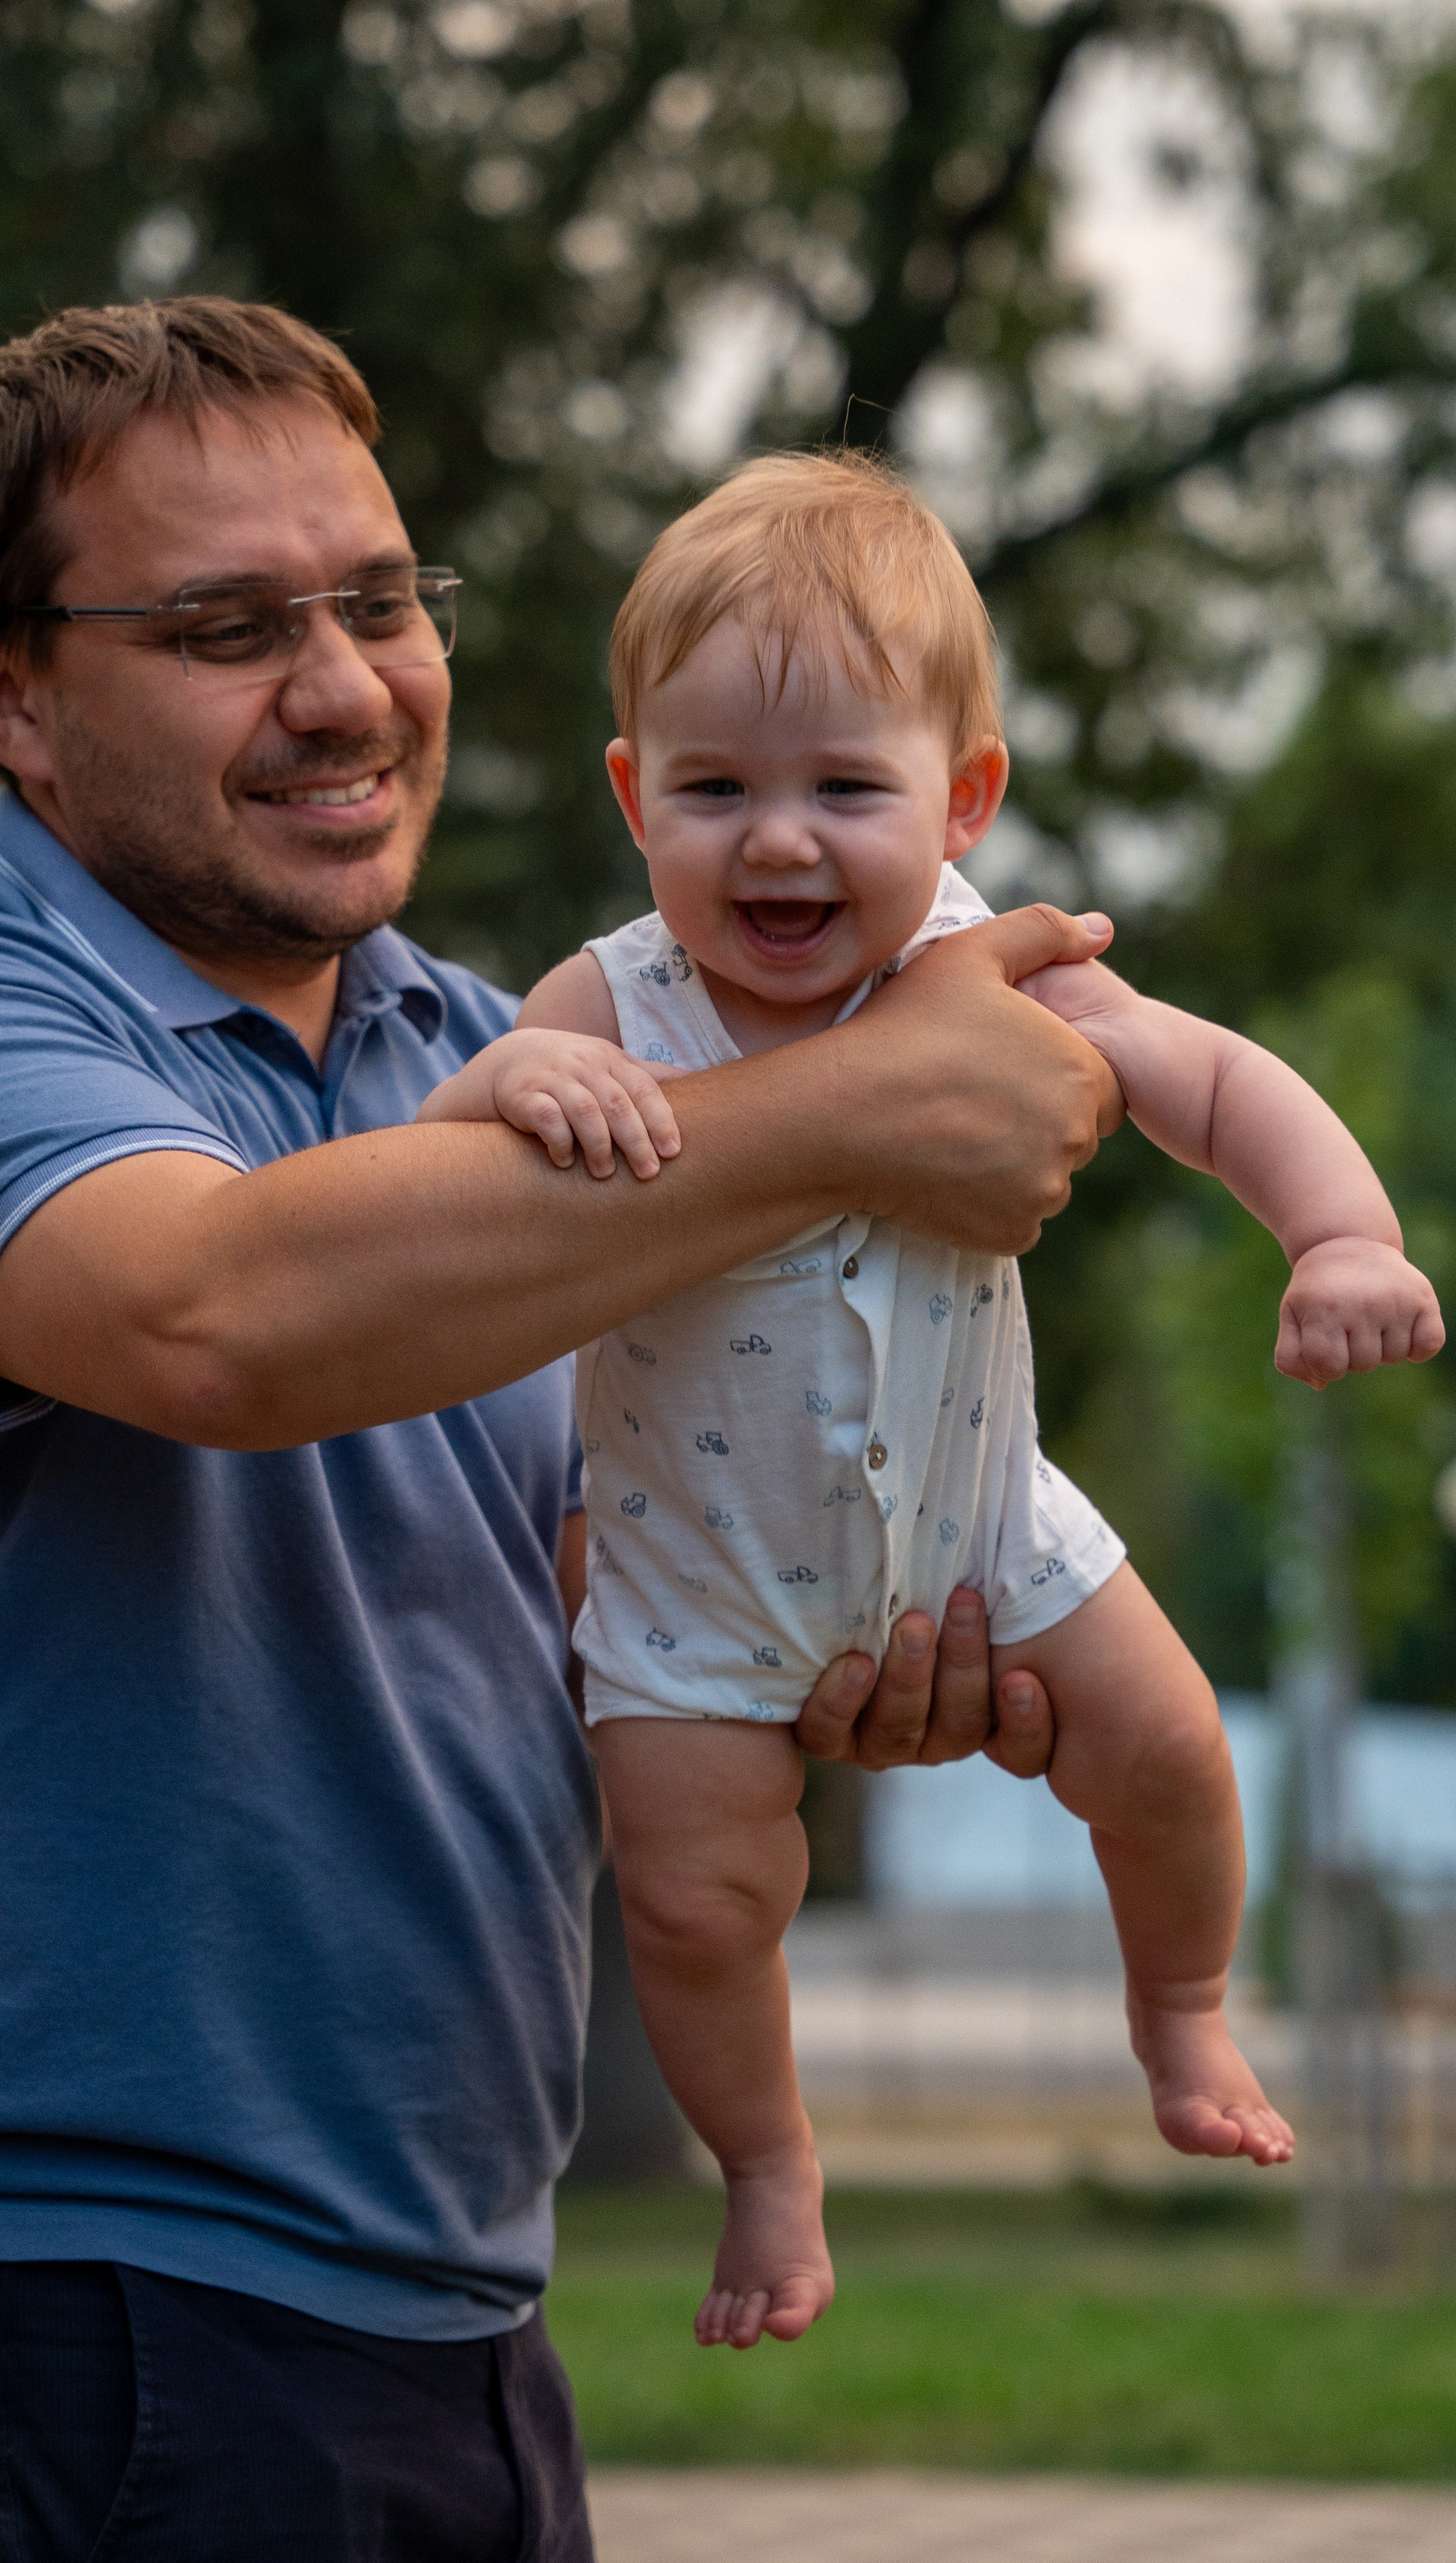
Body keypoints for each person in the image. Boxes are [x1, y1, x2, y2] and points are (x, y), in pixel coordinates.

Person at [0, 299, 1120, 2563]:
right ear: (9, 694)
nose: (342, 685)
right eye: (223, 625)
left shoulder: (503, 1060)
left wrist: (838, 1657)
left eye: (381, 601)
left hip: (456, 2303)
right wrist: (878, 1094)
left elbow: (636, 1571)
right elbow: (222, 1321)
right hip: (41, 2304)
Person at [419, 450, 1444, 2354]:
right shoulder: (609, 1005)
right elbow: (432, 1156)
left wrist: (1343, 1240)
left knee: (1170, 1757)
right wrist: (509, 1095)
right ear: (635, 794)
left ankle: (1182, 2011)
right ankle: (772, 2172)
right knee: (701, 1902)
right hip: (694, 1592)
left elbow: (1211, 1082)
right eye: (715, 790)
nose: (779, 844)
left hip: (990, 1527)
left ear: (961, 796)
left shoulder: (986, 972)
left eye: (845, 789)